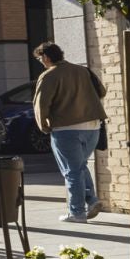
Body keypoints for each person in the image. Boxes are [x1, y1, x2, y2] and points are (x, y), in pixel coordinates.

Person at [32, 41, 105, 222]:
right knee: (79, 166)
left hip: (66, 129)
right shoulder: (83, 71)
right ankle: (91, 199)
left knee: (71, 171)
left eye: (40, 59)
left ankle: (77, 212)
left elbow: (41, 103)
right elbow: (101, 91)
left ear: (46, 57)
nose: (41, 62)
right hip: (93, 127)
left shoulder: (49, 75)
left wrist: (43, 125)